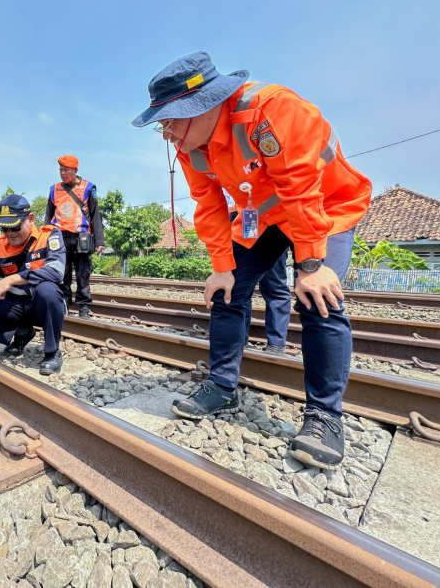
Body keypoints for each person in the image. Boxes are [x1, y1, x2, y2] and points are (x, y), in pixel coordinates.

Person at [132, 52, 372, 469]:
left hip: (324, 208)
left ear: (204, 104)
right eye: (161, 123)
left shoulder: (273, 109)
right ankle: (222, 385)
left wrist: (311, 266)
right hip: (266, 217)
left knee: (318, 298)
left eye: (170, 119)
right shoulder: (192, 148)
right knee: (228, 292)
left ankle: (324, 417)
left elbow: (300, 188)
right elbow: (207, 206)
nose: (165, 131)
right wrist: (222, 266)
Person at [0, 194, 67, 375]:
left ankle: (52, 352)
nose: (10, 233)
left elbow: (55, 272)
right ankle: (22, 332)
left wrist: (12, 278)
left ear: (30, 219)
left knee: (47, 290)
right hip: (15, 306)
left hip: (41, 305)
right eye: (4, 228)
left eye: (15, 227)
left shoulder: (50, 236)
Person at [227, 190, 291, 354]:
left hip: (259, 212)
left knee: (273, 281)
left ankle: (276, 343)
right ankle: (239, 338)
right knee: (239, 284)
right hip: (232, 212)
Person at [45, 155, 105, 318]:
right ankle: (64, 303)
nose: (62, 173)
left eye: (66, 170)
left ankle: (84, 306)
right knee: (62, 273)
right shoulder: (53, 189)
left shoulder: (88, 188)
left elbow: (95, 215)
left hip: (82, 237)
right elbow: (48, 216)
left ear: (75, 170)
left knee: (83, 273)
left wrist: (99, 240)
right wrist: (45, 238)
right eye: (60, 170)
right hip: (60, 237)